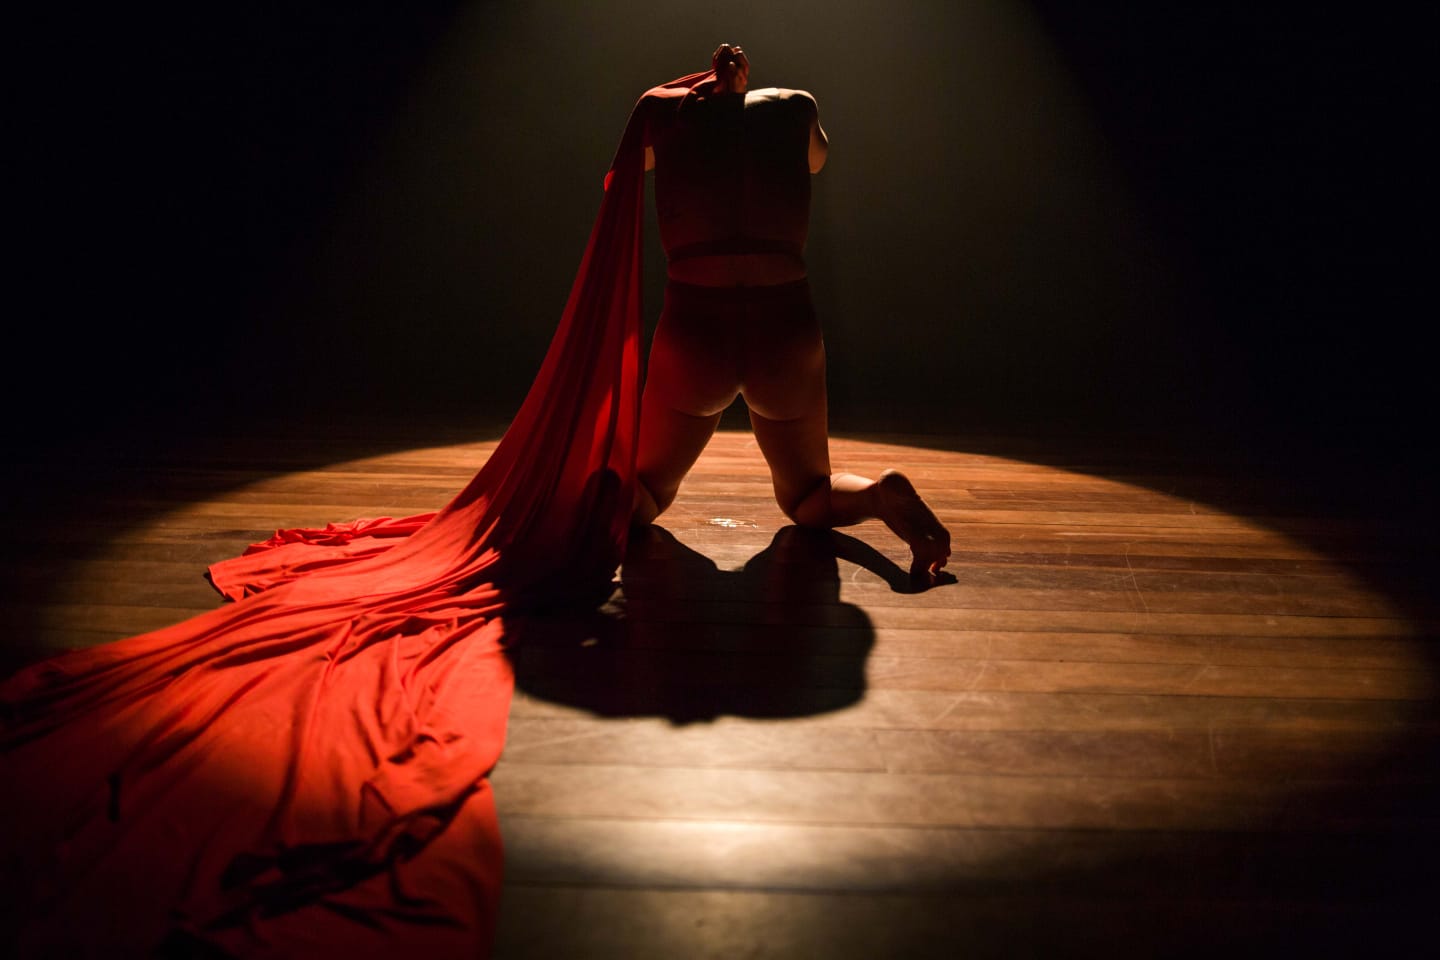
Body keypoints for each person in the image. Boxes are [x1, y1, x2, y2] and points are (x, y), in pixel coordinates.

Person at [631, 44, 951, 583]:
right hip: (783, 323)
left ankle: (584, 502)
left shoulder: (664, 114)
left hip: (696, 324)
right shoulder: (795, 106)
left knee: (645, 492)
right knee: (807, 496)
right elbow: (814, 160)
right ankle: (876, 495)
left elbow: (630, 166)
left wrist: (694, 104)